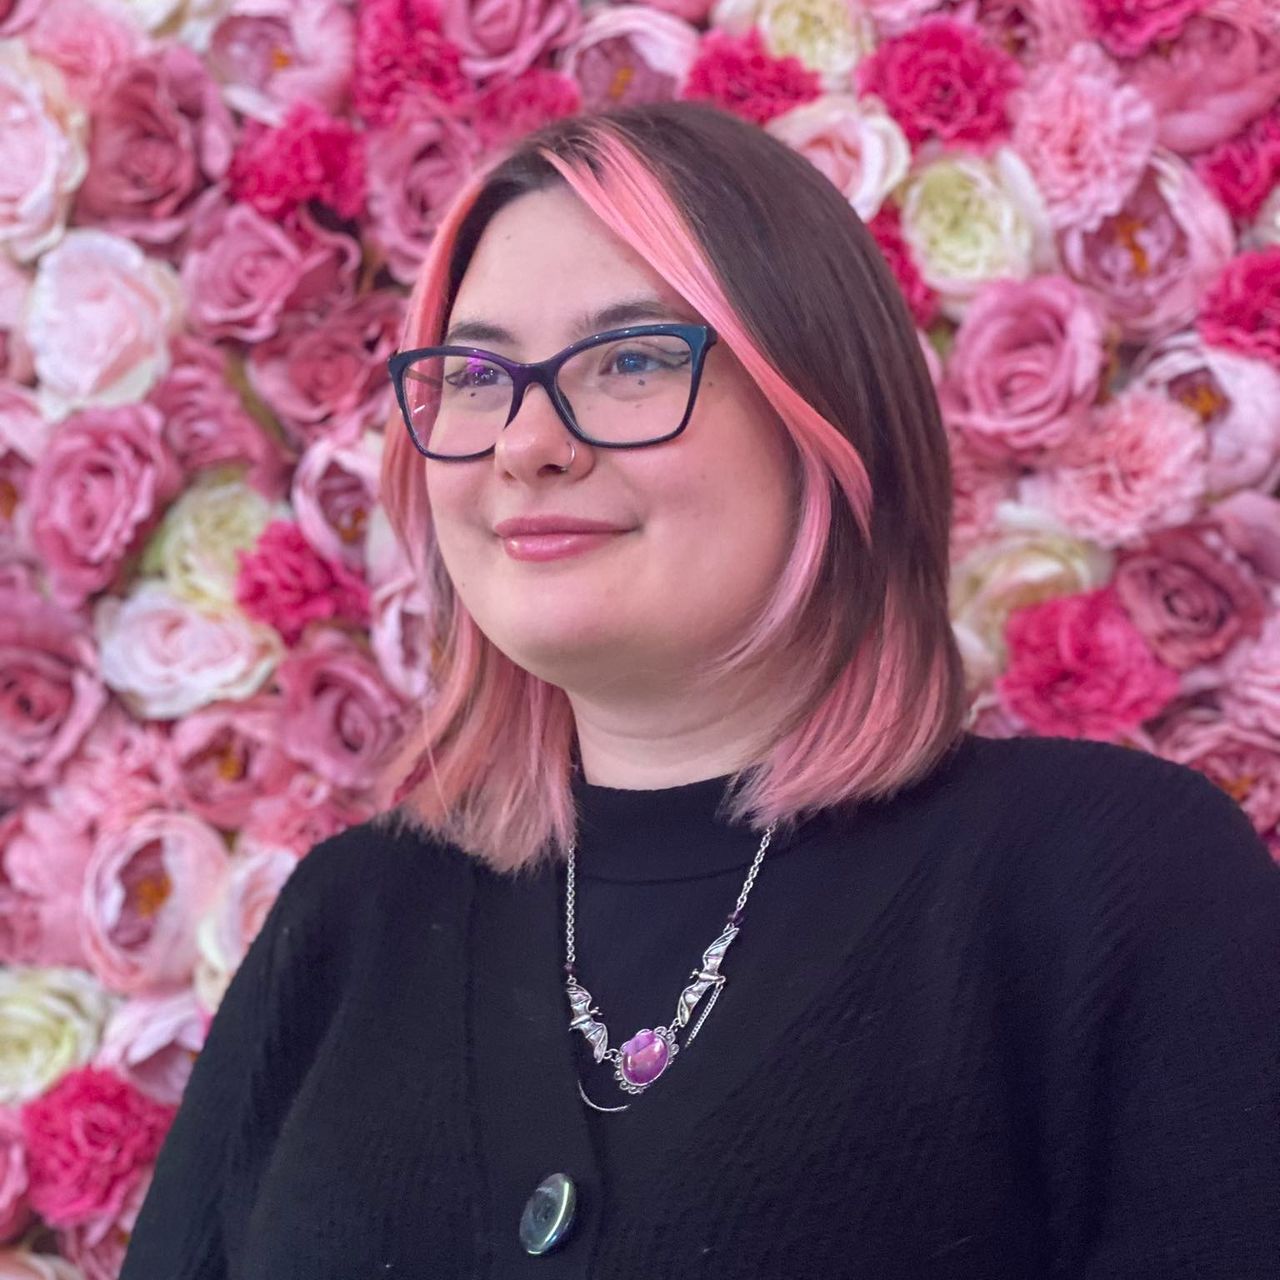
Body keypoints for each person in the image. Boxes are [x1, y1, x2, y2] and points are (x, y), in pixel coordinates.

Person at [121, 103, 1280, 1280]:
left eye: (630, 359)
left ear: (823, 416)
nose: (525, 443)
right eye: (473, 374)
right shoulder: (347, 919)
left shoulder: (1108, 881)